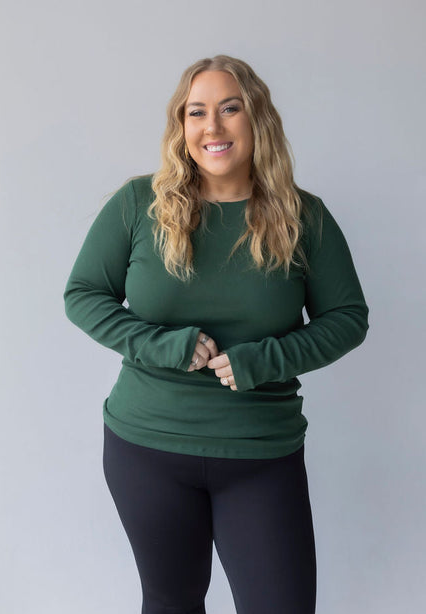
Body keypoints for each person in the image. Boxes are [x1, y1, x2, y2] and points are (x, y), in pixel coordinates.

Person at [64, 54, 368, 614]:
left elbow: (347, 318)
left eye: (230, 109)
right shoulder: (139, 204)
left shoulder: (305, 217)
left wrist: (267, 359)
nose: (212, 126)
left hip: (260, 453)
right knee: (171, 602)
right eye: (196, 112)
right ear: (181, 126)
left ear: (257, 119)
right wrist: (163, 347)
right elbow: (83, 295)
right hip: (147, 447)